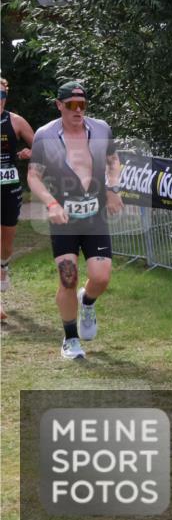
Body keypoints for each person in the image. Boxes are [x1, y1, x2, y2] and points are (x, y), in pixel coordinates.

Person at [26, 81, 123, 359]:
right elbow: (33, 176)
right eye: (71, 105)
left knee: (101, 277)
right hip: (64, 219)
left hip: (94, 217)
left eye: (82, 105)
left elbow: (113, 160)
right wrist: (52, 203)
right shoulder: (45, 135)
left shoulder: (101, 128)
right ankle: (70, 339)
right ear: (60, 105)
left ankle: (88, 302)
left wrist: (113, 189)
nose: (78, 110)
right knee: (68, 278)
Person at [0, 78, 36, 319]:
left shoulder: (15, 121)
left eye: (2, 95)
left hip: (9, 187)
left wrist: (28, 153)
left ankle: (3, 266)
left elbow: (41, 147)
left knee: (6, 241)